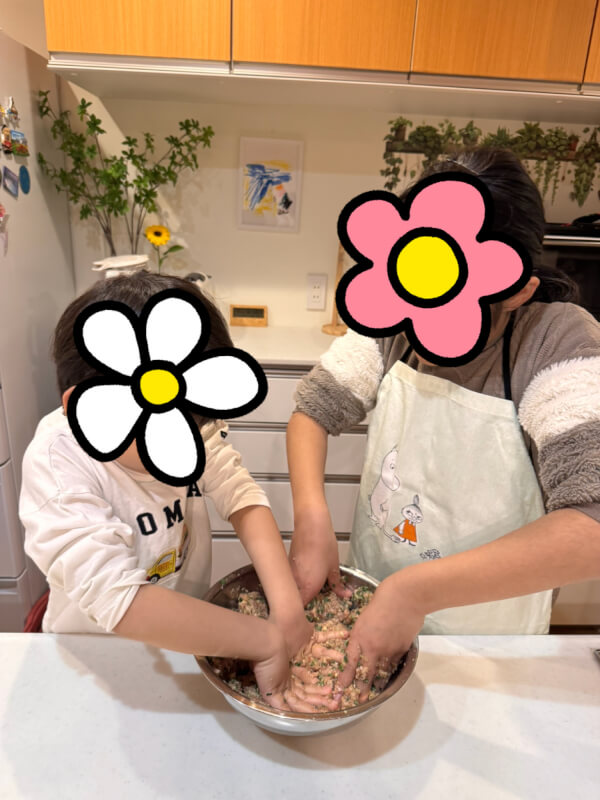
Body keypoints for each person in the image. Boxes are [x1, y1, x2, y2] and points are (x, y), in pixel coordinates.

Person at [286, 148, 600, 701]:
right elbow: (315, 409)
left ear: (519, 289)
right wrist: (313, 518)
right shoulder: (393, 318)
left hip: (487, 643)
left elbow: (593, 522)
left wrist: (414, 593)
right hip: (374, 595)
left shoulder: (555, 340)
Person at [20, 271, 318, 711]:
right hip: (94, 659)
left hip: (183, 633)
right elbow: (119, 599)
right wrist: (265, 642)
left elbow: (239, 493)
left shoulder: (188, 428)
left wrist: (287, 605)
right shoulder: (58, 462)